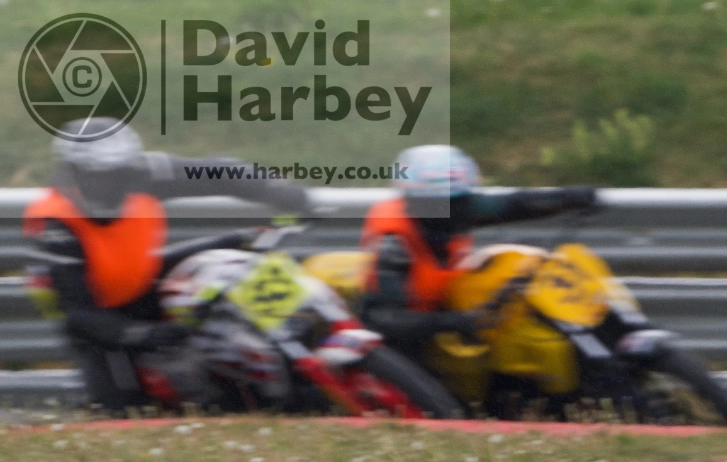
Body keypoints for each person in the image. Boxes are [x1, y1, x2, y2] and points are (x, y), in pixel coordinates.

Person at [23, 120, 309, 409]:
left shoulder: (143, 173)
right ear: (74, 171)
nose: (112, 186)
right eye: (100, 177)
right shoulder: (53, 223)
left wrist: (282, 193)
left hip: (145, 278)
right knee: (123, 409)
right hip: (99, 318)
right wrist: (146, 335)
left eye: (120, 175)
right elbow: (79, 316)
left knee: (239, 251)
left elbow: (220, 170)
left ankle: (301, 341)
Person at [357, 145, 598, 359]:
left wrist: (567, 197)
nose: (449, 210)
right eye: (436, 204)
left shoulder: (461, 208)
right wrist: (455, 322)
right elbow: (383, 318)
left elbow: (513, 205)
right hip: (404, 334)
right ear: (411, 201)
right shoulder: (392, 243)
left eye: (457, 201)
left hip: (446, 310)